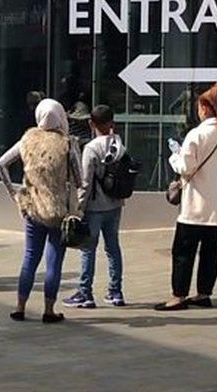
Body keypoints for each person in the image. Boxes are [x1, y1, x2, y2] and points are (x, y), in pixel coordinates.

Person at [0, 98, 82, 323]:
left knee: (30, 258)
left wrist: (15, 194)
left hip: (33, 209)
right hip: (59, 211)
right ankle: (49, 310)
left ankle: (20, 306)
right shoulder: (68, 143)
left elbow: (1, 164)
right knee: (54, 262)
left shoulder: (28, 140)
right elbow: (80, 178)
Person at [155, 83, 217, 312]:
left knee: (183, 252)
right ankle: (203, 293)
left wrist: (174, 155)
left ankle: (178, 295)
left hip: (195, 207)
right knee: (210, 254)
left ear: (205, 107)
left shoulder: (197, 134)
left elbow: (185, 167)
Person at [64, 104, 127, 309]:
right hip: (115, 204)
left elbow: (85, 181)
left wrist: (78, 208)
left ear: (91, 123)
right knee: (113, 248)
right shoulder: (119, 144)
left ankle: (85, 293)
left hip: (94, 206)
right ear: (112, 123)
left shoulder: (91, 148)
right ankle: (115, 291)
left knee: (88, 250)